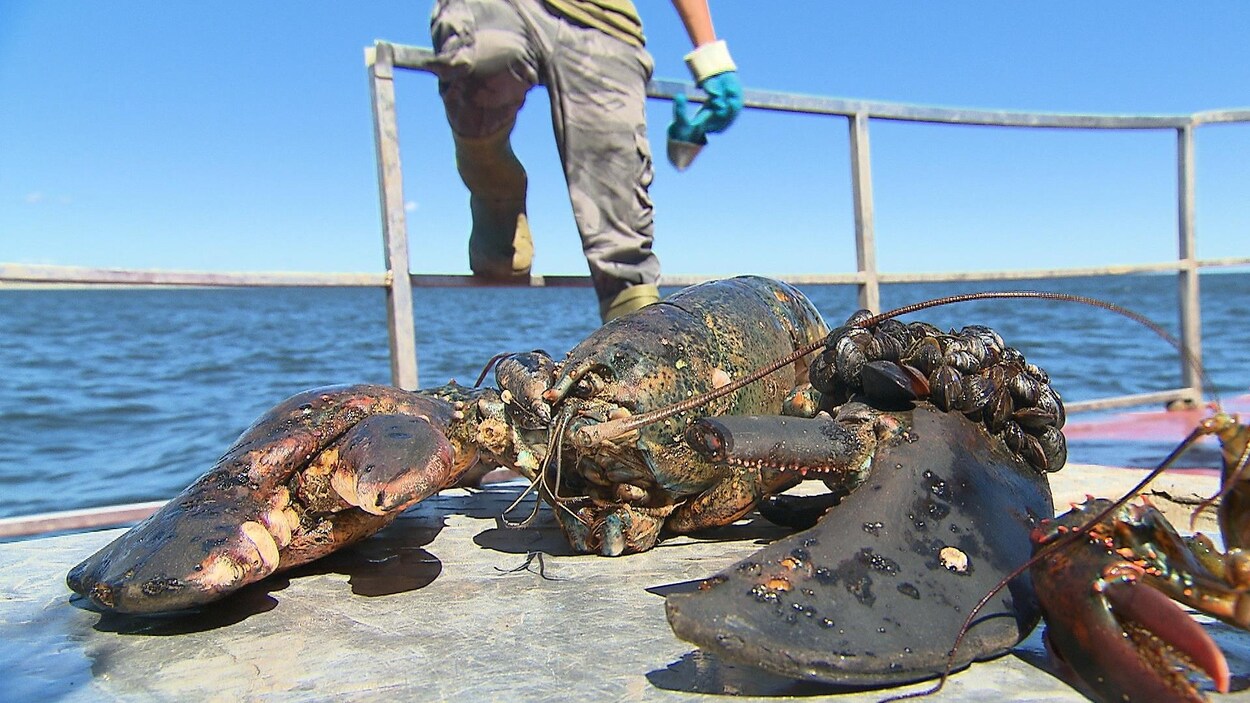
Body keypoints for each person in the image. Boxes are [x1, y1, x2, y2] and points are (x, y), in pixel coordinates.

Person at [428, 0, 744, 322]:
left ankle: (641, 352)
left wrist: (712, 57)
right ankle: (497, 189)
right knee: (482, 59)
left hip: (603, 22)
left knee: (623, 242)